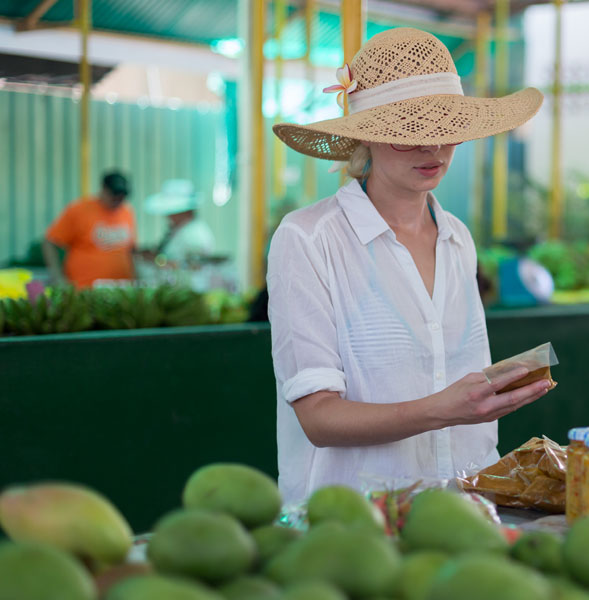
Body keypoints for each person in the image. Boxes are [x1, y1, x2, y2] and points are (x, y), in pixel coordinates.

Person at [268, 28, 548, 503]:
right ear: (368, 138)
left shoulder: (457, 237)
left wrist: (488, 394)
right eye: (409, 134)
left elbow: (456, 384)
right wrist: (446, 408)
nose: (433, 150)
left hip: (464, 510)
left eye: (447, 132)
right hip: (352, 525)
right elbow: (318, 417)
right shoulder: (309, 239)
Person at [44, 171, 135, 288]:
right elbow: (50, 243)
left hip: (121, 288)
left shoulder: (127, 212)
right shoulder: (80, 210)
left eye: (122, 197)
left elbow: (130, 250)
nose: (118, 200)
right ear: (103, 189)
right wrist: (58, 277)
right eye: (114, 195)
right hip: (84, 288)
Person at [142, 179, 216, 265]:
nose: (168, 216)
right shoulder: (180, 229)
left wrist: (156, 260)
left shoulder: (194, 235)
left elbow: (192, 267)